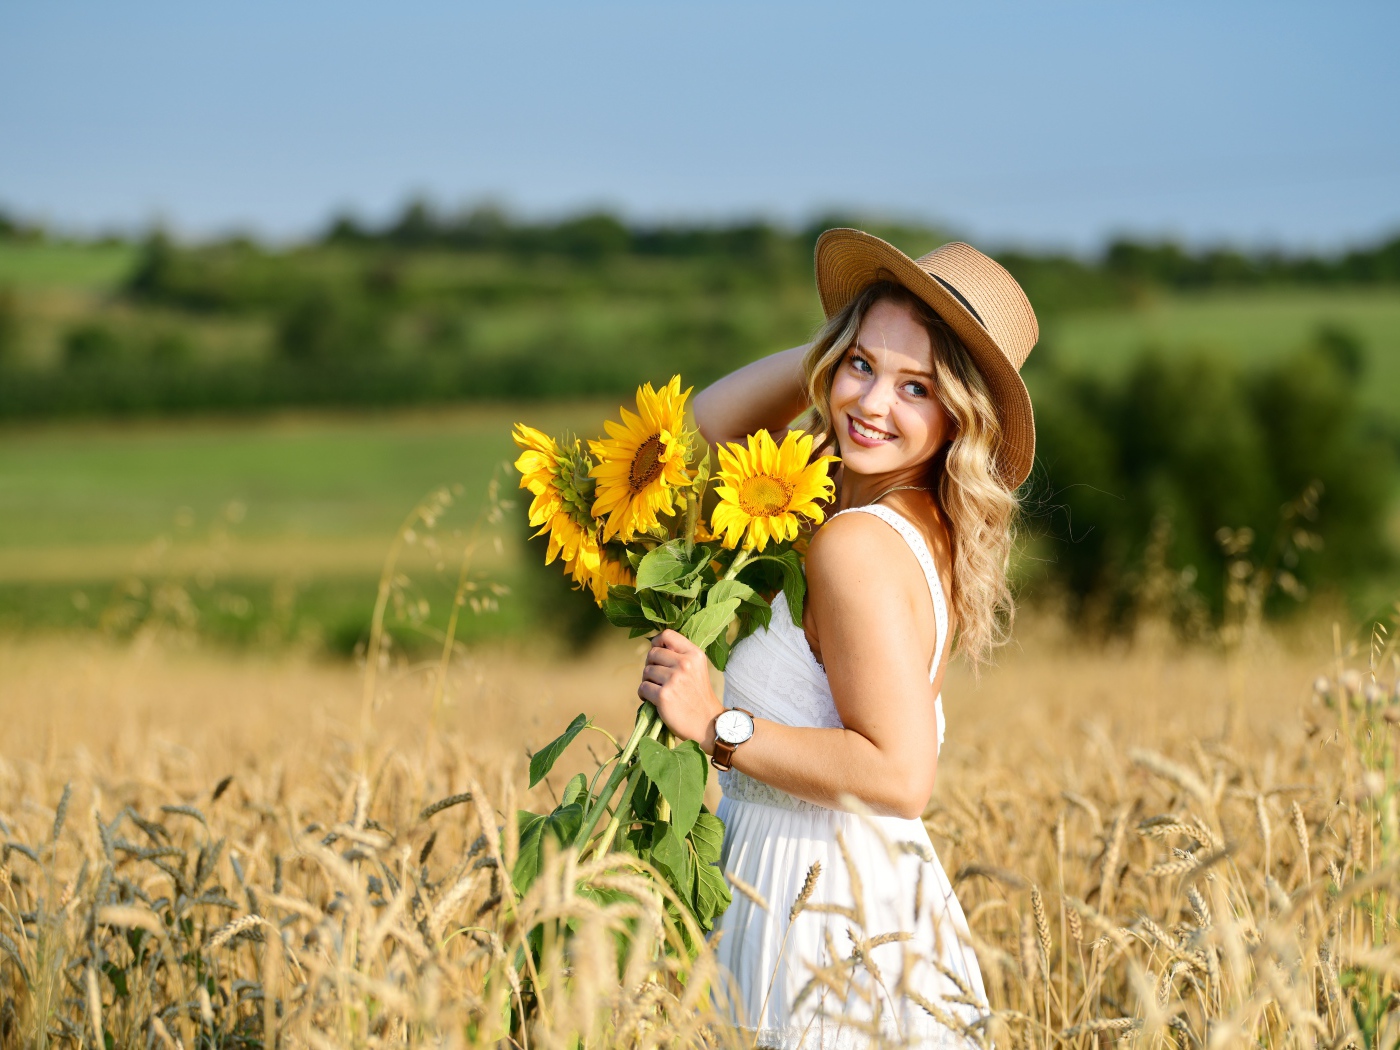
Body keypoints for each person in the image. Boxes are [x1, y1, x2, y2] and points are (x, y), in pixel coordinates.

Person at [637, 229, 1038, 1048]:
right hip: (847, 894)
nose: (872, 405)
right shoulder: (913, 522)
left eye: (916, 387)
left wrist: (718, 726)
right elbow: (691, 440)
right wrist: (832, 351)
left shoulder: (854, 544)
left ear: (960, 414)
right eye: (862, 366)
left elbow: (898, 774)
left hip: (819, 917)